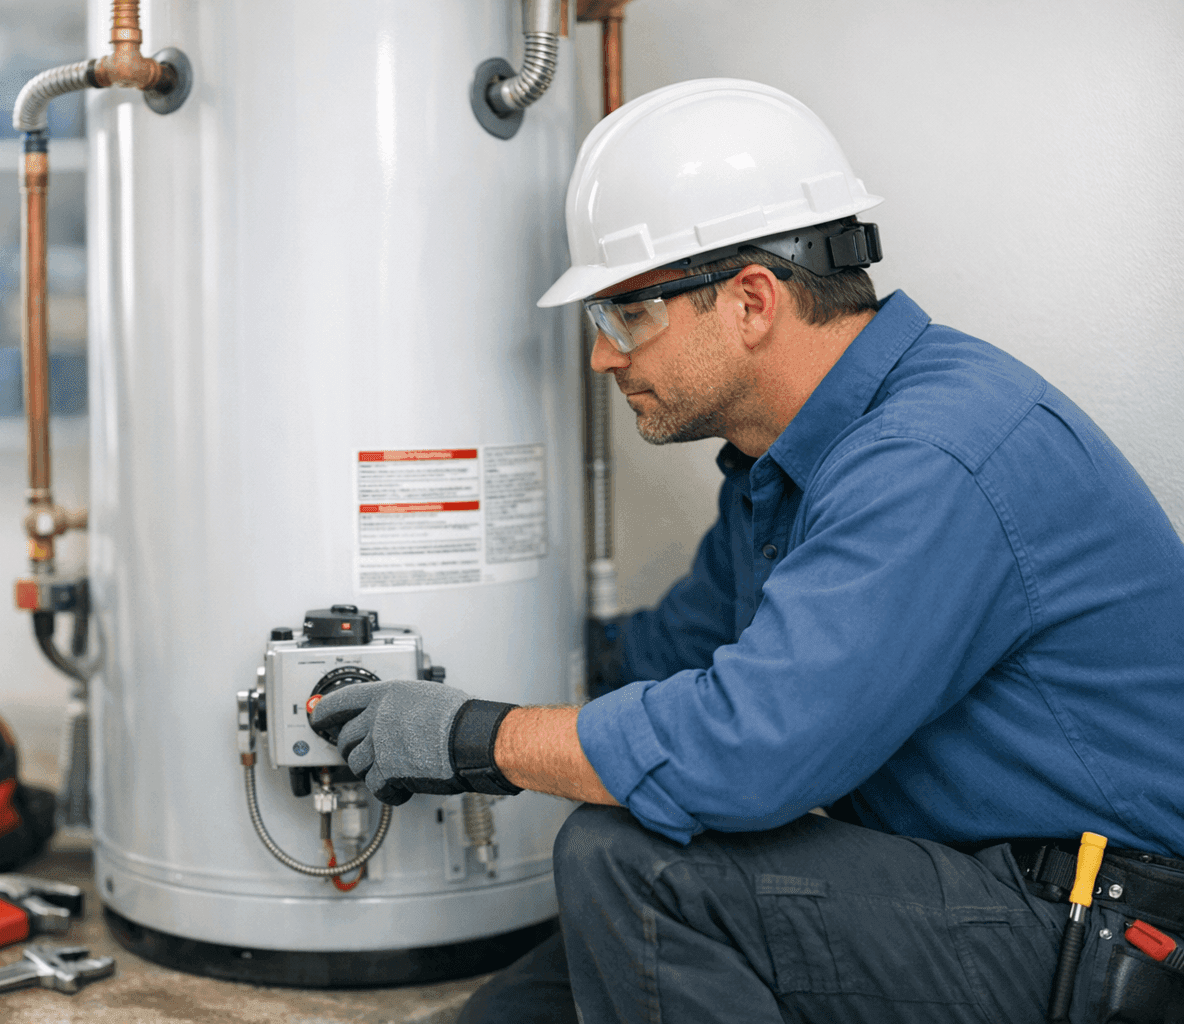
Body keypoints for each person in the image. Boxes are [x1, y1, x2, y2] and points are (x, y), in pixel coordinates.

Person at [312, 79, 1184, 1023]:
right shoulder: (789, 464)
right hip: (970, 894)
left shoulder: (929, 458)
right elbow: (662, 662)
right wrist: (459, 679)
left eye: (625, 314)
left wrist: (477, 739)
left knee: (629, 863)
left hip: (1106, 942)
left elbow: (746, 750)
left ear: (753, 301)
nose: (603, 357)